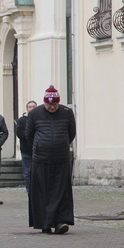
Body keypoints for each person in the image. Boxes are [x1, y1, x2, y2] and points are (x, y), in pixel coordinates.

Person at [26, 85, 76, 234]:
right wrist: (40, 147)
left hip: (61, 159)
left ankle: (61, 222)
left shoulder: (67, 113)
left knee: (61, 192)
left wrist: (61, 145)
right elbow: (29, 135)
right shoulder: (35, 114)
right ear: (44, 102)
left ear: (58, 103)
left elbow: (71, 134)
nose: (52, 107)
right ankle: (45, 223)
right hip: (41, 159)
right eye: (49, 104)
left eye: (55, 104)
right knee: (42, 193)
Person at [15, 100, 37, 192]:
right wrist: (30, 135)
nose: (31, 108)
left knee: (38, 173)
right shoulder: (21, 120)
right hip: (26, 151)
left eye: (33, 107)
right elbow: (20, 133)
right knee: (27, 173)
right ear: (27, 109)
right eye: (30, 107)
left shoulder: (40, 119)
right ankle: (30, 191)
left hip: (38, 150)